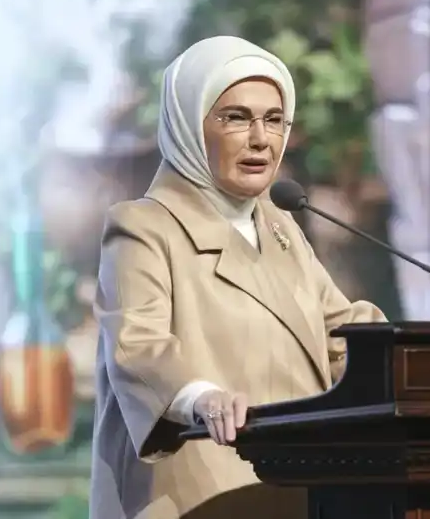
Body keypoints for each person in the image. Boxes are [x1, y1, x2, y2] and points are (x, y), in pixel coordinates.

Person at [89, 35, 386, 519]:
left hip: (296, 490)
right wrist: (201, 398)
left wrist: (421, 356)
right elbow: (137, 346)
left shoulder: (280, 226)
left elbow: (341, 333)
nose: (260, 139)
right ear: (189, 123)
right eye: (236, 117)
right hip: (196, 498)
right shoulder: (143, 227)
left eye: (274, 119)